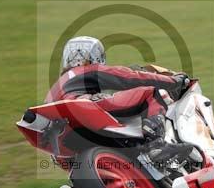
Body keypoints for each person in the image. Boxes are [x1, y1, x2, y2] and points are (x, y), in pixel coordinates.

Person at [45, 36, 190, 143]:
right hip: (83, 106)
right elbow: (130, 77)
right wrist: (174, 81)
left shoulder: (57, 85)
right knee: (149, 92)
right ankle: (157, 145)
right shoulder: (90, 70)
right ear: (96, 56)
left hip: (61, 130)